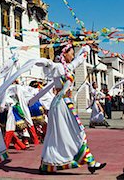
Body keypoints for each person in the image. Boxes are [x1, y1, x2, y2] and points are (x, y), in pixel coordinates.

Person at [37, 43, 106, 174]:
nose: (73, 55)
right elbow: (48, 66)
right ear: (64, 53)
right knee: (70, 133)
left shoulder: (68, 67)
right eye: (71, 52)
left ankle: (88, 162)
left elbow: (79, 60)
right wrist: (42, 61)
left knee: (71, 133)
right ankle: (86, 162)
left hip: (66, 104)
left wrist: (85, 49)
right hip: (59, 104)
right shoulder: (57, 67)